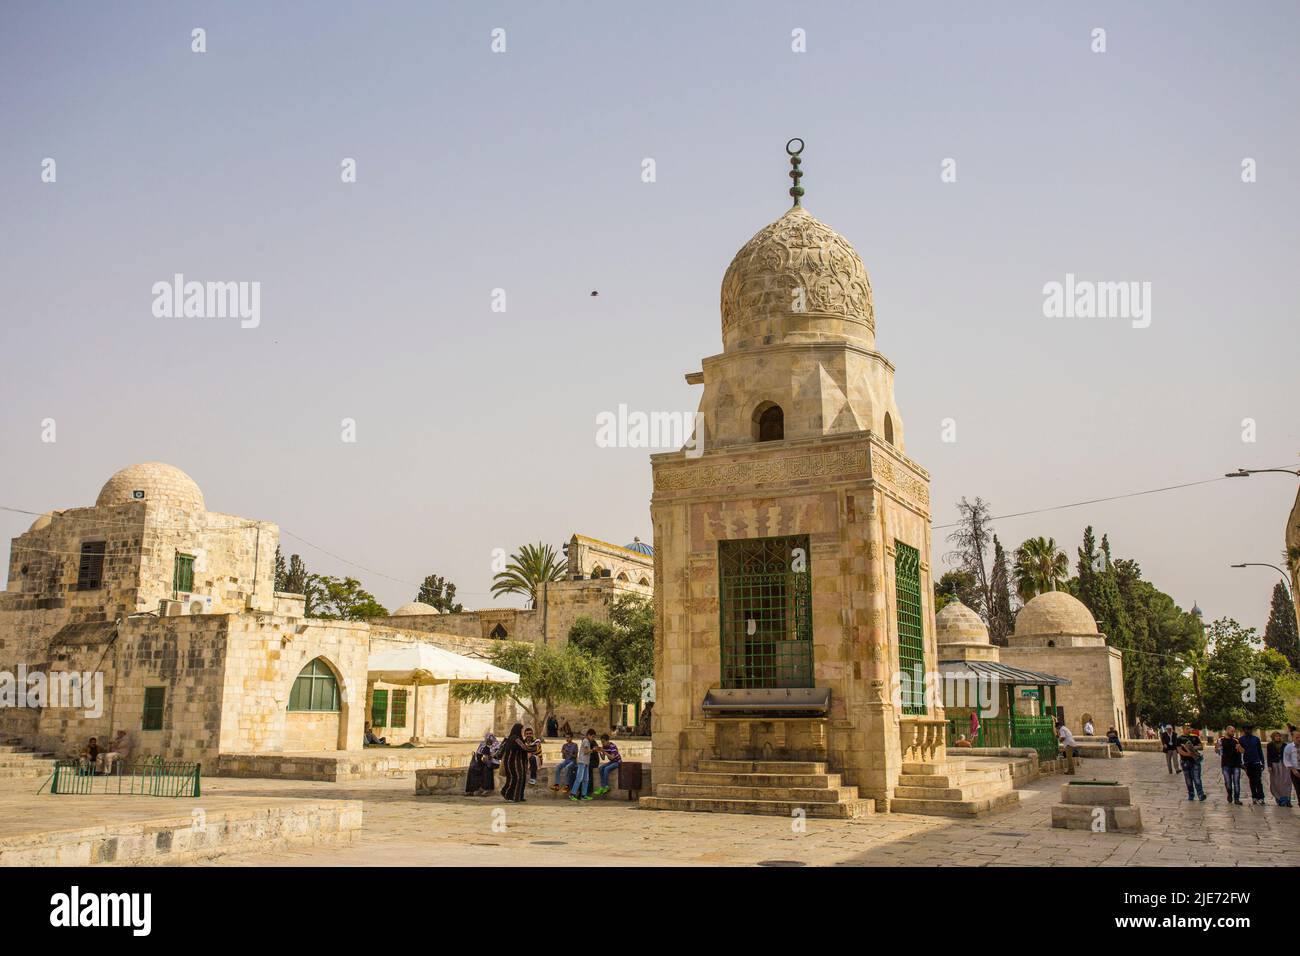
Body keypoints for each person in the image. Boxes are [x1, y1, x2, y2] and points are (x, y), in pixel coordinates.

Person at [498, 723, 529, 802]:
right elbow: (524, 748)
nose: (523, 732)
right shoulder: (515, 738)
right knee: (515, 778)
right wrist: (533, 746)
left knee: (521, 778)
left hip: (518, 762)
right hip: (512, 762)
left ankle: (518, 796)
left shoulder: (518, 738)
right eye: (522, 730)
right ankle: (509, 795)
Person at [1215, 725, 1245, 805]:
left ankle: (1236, 798)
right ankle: (1229, 794)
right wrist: (1217, 748)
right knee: (1228, 782)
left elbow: (1242, 751)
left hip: (1236, 764)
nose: (1233, 733)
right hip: (1225, 764)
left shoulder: (1236, 740)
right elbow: (1218, 751)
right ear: (1227, 731)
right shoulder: (1220, 740)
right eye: (1232, 731)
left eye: (1234, 731)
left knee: (1236, 782)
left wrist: (1239, 748)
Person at [1176, 724, 1207, 801]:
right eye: (1187, 728)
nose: (1189, 729)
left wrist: (1193, 747)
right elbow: (1179, 750)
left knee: (1197, 778)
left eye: (1189, 728)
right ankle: (1191, 794)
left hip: (1195, 761)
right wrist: (1188, 754)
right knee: (1188, 779)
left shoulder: (1195, 737)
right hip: (1185, 761)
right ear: (1183, 729)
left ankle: (1201, 794)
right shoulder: (1179, 739)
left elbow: (1201, 747)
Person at [1239, 725, 1266, 806]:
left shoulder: (1256, 739)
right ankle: (1254, 797)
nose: (1248, 731)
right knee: (1252, 780)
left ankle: (1261, 797)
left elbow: (1259, 751)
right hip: (1247, 763)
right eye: (1246, 729)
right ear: (1244, 730)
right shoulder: (1241, 740)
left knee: (1258, 780)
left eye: (1250, 729)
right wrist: (1241, 763)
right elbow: (1239, 752)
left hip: (1256, 762)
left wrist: (1262, 762)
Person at [465, 732, 498, 796]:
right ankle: (472, 789)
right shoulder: (482, 744)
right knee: (473, 769)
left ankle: (487, 789)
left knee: (487, 769)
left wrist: (489, 750)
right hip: (482, 761)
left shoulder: (496, 745)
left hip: (493, 763)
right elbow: (479, 753)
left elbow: (496, 755)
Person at [1267, 730, 1292, 807]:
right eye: (1276, 736)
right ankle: (1279, 799)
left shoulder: (1285, 745)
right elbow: (1269, 756)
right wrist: (1269, 766)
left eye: (1279, 736)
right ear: (1273, 737)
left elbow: (1288, 755)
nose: (1278, 737)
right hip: (1275, 765)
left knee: (1286, 782)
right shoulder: (1270, 745)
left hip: (1284, 765)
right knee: (1276, 783)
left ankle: (1287, 800)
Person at [569, 729, 596, 801]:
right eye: (592, 736)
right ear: (589, 735)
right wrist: (593, 750)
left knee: (585, 779)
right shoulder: (586, 741)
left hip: (586, 762)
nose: (593, 738)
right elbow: (586, 751)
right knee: (579, 778)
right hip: (582, 762)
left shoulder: (586, 741)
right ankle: (572, 794)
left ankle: (583, 795)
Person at [1286, 729, 1300, 805]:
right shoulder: (1289, 747)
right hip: (1295, 771)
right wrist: (1293, 770)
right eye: (1297, 737)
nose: (1299, 739)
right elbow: (1286, 760)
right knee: (1298, 789)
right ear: (1292, 738)